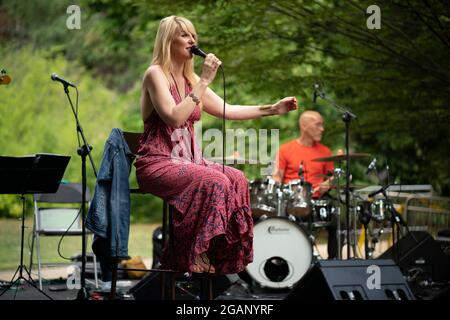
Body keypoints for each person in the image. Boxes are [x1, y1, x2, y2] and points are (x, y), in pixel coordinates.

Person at [134, 15, 298, 275]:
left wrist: (273, 109)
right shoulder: (156, 74)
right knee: (215, 182)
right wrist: (204, 81)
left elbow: (228, 109)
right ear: (168, 41)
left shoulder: (190, 80)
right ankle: (189, 254)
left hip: (189, 161)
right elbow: (175, 118)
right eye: (185, 35)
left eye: (194, 35)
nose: (192, 40)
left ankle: (218, 253)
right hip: (158, 161)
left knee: (236, 178)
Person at [272, 110, 340, 259]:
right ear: (304, 125)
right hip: (291, 202)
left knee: (336, 218)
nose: (322, 129)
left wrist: (328, 184)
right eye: (318, 125)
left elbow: (332, 179)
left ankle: (333, 262)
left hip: (317, 201)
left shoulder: (325, 151)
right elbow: (276, 177)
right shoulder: (285, 149)